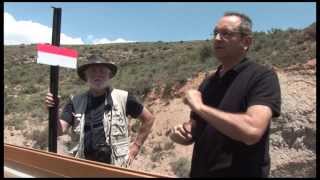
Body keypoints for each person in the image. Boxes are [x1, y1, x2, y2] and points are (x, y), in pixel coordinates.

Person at [169, 11, 281, 177]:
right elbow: (197, 126)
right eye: (215, 33)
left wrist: (199, 107)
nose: (217, 38)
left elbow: (252, 131)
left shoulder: (262, 76)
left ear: (246, 41)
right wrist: (183, 134)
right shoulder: (208, 82)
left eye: (226, 33)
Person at [45, 55, 155, 168]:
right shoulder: (75, 102)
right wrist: (53, 110)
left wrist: (135, 147)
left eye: (102, 71)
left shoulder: (123, 98)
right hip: (83, 167)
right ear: (86, 76)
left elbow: (149, 119)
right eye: (92, 71)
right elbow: (59, 131)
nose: (97, 74)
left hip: (115, 168)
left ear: (109, 75)